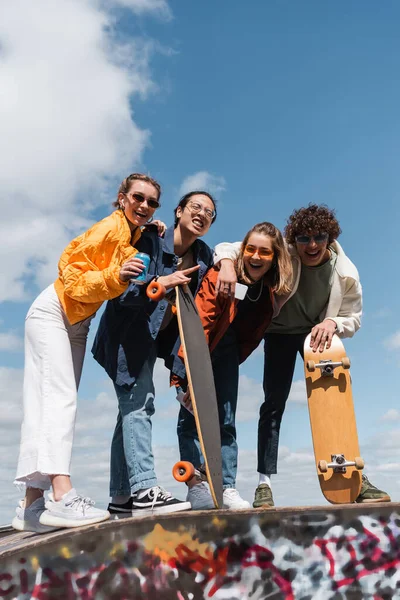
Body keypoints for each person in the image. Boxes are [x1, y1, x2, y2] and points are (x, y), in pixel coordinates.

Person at [13, 173, 163, 533]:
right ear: (122, 198)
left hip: (75, 324)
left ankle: (31, 505)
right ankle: (62, 495)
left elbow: (128, 255)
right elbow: (70, 273)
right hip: (55, 312)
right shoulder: (109, 228)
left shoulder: (130, 233)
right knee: (60, 398)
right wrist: (116, 275)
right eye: (138, 198)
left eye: (151, 202)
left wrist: (148, 232)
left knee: (48, 402)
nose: (144, 206)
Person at [214, 204, 391, 507]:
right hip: (279, 333)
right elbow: (230, 247)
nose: (311, 245)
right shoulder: (284, 251)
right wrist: (228, 264)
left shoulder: (345, 272)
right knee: (274, 404)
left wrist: (333, 322)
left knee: (335, 403)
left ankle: (355, 479)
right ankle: (263, 485)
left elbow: (354, 317)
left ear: (330, 238)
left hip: (316, 335)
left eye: (319, 237)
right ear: (293, 240)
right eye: (304, 238)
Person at [92, 191, 217, 516]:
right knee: (141, 402)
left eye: (209, 212)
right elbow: (125, 291)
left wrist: (182, 374)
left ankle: (120, 500)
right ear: (179, 211)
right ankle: (145, 489)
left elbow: (195, 314)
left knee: (129, 414)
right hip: (128, 337)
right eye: (195, 207)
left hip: (158, 342)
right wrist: (161, 282)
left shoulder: (204, 255)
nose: (202, 213)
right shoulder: (149, 240)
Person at [173, 222, 293, 510]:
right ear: (243, 250)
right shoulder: (222, 273)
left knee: (226, 419)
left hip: (227, 353)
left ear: (274, 257)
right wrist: (185, 374)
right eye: (250, 249)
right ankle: (196, 486)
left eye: (264, 252)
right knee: (191, 418)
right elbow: (199, 322)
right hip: (199, 348)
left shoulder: (267, 290)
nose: (255, 256)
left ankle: (226, 487)